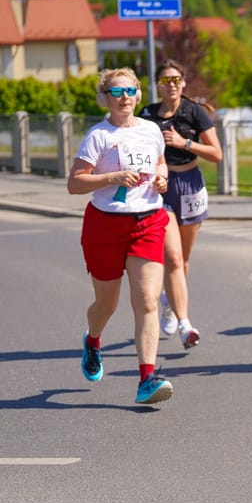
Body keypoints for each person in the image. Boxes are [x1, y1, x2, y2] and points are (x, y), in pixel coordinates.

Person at [67, 67, 174, 405]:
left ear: (138, 95)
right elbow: (74, 183)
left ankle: (147, 379)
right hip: (105, 225)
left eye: (130, 90)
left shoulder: (151, 130)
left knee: (146, 300)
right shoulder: (98, 135)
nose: (124, 97)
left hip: (149, 221)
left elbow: (160, 163)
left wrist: (161, 178)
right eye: (116, 92)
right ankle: (93, 340)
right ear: (106, 98)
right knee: (107, 304)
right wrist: (111, 177)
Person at [138, 59, 223, 349]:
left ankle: (169, 299)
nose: (171, 85)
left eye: (176, 80)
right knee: (172, 257)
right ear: (158, 85)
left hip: (190, 185)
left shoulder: (194, 112)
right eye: (165, 81)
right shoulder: (147, 114)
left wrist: (183, 143)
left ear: (183, 83)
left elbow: (216, 154)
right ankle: (182, 318)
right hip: (160, 188)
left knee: (183, 260)